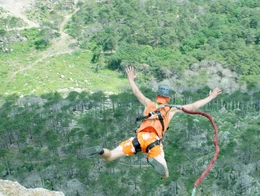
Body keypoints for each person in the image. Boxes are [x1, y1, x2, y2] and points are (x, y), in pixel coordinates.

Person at [79, 65, 222, 178]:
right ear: (168, 98)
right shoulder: (171, 109)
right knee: (165, 173)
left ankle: (101, 150)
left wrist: (131, 79)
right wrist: (211, 97)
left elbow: (137, 93)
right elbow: (194, 106)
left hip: (138, 139)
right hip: (154, 141)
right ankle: (154, 161)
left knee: (109, 157)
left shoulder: (148, 104)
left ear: (157, 96)